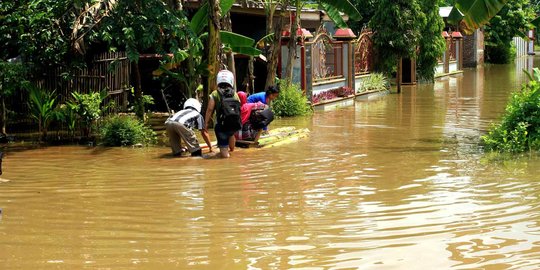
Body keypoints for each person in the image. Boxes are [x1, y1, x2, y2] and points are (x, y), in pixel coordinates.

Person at [204, 70, 242, 158]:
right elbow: (239, 108)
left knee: (224, 154)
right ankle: (232, 150)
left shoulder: (215, 93)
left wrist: (206, 123)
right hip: (233, 123)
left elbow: (210, 109)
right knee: (231, 135)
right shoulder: (235, 94)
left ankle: (228, 164)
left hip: (221, 124)